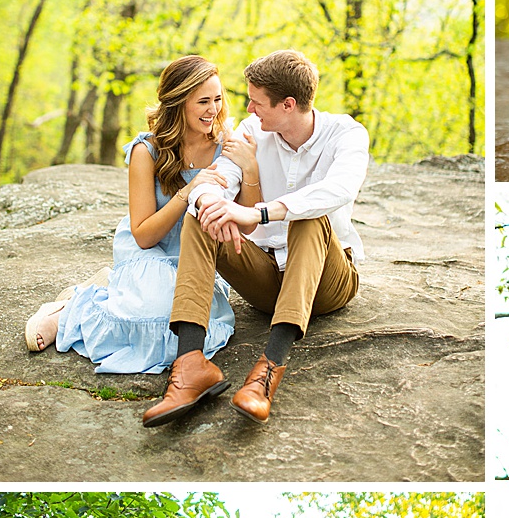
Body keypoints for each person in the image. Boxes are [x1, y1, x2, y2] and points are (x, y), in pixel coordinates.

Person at [146, 49, 367, 428]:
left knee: (308, 217)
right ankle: (191, 364)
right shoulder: (251, 130)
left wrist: (259, 212)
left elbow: (340, 189)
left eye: (257, 101)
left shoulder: (346, 134)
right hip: (265, 280)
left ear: (288, 104)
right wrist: (211, 203)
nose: (247, 108)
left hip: (326, 283)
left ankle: (267, 370)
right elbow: (216, 179)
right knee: (200, 218)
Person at [25, 56, 248, 372]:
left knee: (181, 335)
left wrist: (250, 166)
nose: (213, 109)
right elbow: (143, 235)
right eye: (203, 102)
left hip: (197, 256)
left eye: (217, 99)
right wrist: (188, 191)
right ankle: (69, 310)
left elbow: (244, 213)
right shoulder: (147, 151)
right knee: (153, 317)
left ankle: (114, 287)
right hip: (150, 250)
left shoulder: (225, 146)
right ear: (178, 104)